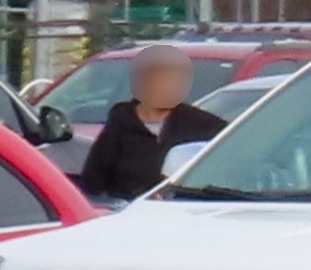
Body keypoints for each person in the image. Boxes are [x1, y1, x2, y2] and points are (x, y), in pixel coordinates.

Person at [78, 49, 227, 203]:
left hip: (182, 210)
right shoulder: (121, 122)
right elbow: (94, 179)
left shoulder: (202, 124)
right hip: (128, 210)